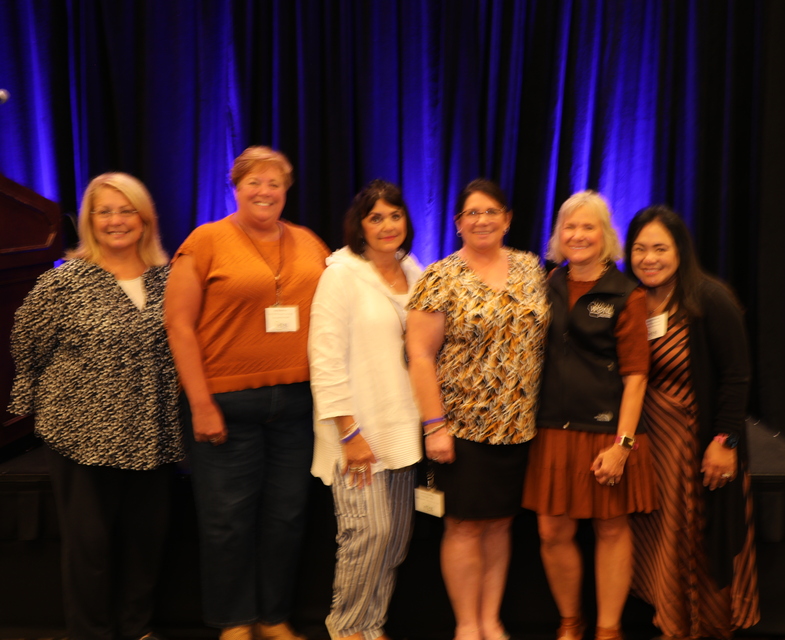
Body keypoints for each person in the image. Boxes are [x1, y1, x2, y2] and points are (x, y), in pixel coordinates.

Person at [8, 172, 183, 640]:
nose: (115, 220)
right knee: (89, 545)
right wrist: (35, 403)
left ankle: (136, 628)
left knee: (145, 541)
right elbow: (26, 343)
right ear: (89, 220)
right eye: (104, 211)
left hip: (151, 432)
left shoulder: (170, 279)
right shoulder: (63, 282)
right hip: (80, 435)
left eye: (126, 210)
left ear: (145, 219)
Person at [165, 146, 330, 640]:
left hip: (296, 404)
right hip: (225, 405)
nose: (264, 191)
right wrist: (200, 404)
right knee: (227, 521)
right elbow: (178, 325)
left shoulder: (308, 242)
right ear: (235, 187)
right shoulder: (206, 240)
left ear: (287, 190)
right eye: (253, 182)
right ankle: (234, 622)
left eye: (274, 183)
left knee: (287, 517)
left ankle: (273, 617)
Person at [406, 178, 549, 640]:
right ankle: (467, 625)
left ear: (507, 219)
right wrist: (434, 426)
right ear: (458, 223)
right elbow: (420, 355)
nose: (482, 220)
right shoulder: (440, 277)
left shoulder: (531, 268)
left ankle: (492, 619)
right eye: (472, 212)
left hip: (518, 426)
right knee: (465, 527)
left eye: (491, 212)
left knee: (501, 525)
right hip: (461, 427)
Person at [522, 191, 658, 640]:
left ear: (605, 236)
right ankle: (570, 621)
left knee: (612, 530)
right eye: (570, 226)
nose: (578, 235)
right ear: (558, 235)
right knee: (550, 533)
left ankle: (608, 628)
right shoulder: (545, 284)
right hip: (550, 430)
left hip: (607, 433)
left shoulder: (627, 294)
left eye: (588, 226)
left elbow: (636, 378)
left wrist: (623, 445)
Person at [625, 204, 760, 639]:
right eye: (640, 249)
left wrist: (725, 442)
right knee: (664, 544)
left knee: (698, 542)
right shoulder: (632, 300)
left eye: (660, 248)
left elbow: (737, 376)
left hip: (697, 449)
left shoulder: (709, 299)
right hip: (653, 452)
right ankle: (671, 622)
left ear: (680, 250)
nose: (649, 258)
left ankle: (703, 627)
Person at [308, 179, 423, 640]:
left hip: (402, 430)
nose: (387, 225)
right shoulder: (340, 275)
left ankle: (372, 627)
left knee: (393, 541)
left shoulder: (415, 271)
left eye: (395, 215)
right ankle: (346, 629)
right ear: (360, 225)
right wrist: (349, 433)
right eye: (376, 217)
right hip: (357, 432)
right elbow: (324, 359)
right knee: (367, 535)